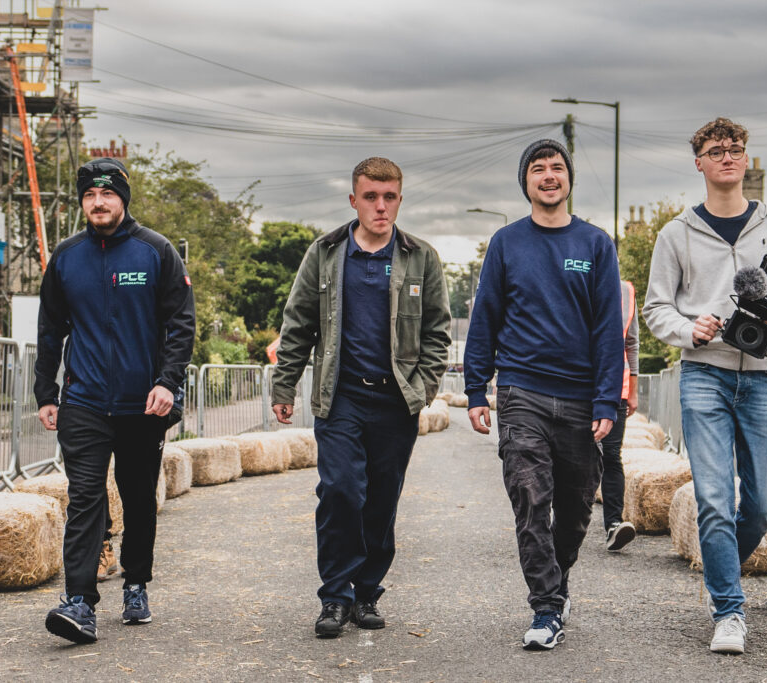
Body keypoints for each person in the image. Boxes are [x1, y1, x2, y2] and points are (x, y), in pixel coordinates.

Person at [643, 118, 767, 655]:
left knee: (762, 503)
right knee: (714, 499)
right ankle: (728, 611)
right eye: (716, 151)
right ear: (699, 162)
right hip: (704, 375)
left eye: (736, 149)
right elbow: (655, 309)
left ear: (745, 158)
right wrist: (687, 328)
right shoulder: (676, 234)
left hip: (762, 378)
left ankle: (721, 572)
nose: (728, 157)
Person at [270, 157, 451, 639]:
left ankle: (367, 591)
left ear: (399, 199)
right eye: (370, 196)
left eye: (389, 197)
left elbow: (438, 331)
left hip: (395, 402)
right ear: (353, 200)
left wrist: (424, 385)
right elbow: (297, 323)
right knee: (341, 492)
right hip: (341, 396)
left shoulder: (421, 258)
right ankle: (335, 596)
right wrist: (284, 386)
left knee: (381, 499)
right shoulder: (325, 253)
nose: (380, 206)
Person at [464, 140, 624, 650]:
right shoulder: (507, 243)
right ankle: (546, 608)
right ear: (526, 182)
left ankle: (558, 579)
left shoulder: (596, 244)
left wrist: (606, 399)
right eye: (538, 169)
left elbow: (607, 329)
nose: (549, 175)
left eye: (557, 167)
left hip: (580, 398)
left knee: (576, 508)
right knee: (530, 499)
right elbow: (484, 317)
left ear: (569, 179)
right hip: (522, 391)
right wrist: (475, 390)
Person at [35, 157, 195, 644]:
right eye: (89, 196)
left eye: (107, 195)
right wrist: (47, 391)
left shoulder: (156, 251)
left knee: (138, 498)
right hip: (83, 402)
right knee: (85, 497)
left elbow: (180, 324)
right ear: (82, 201)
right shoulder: (65, 257)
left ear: (123, 199)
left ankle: (137, 583)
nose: (98, 203)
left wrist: (168, 382)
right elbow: (50, 329)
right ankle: (79, 600)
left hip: (142, 404)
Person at [600, 278, 639, 551]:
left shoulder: (626, 291)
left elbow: (632, 343)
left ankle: (614, 524)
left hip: (617, 387)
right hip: (576, 385)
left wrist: (633, 390)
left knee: (612, 455)